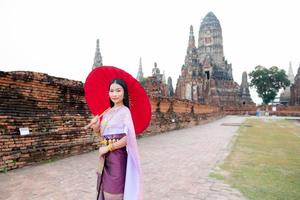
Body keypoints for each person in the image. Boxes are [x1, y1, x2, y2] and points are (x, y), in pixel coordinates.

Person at [87, 78, 143, 200]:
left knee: (114, 194)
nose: (114, 94)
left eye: (118, 90)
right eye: (111, 91)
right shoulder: (106, 112)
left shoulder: (125, 111)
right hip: (105, 159)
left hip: (118, 159)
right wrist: (96, 127)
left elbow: (128, 139)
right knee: (104, 192)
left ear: (124, 93)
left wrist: (108, 147)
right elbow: (102, 136)